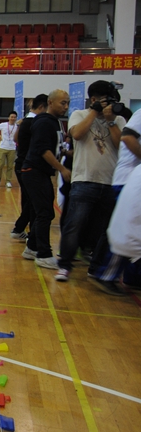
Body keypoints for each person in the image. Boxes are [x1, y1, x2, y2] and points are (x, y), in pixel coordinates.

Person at [55, 80, 126, 282]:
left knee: (106, 229)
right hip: (84, 180)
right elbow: (76, 134)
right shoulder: (80, 114)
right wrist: (94, 112)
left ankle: (95, 267)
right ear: (94, 99)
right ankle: (64, 266)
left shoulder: (118, 120)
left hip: (110, 181)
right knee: (74, 225)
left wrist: (111, 120)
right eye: (104, 100)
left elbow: (121, 144)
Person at [86, 103, 141, 295]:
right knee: (126, 231)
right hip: (128, 181)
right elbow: (127, 137)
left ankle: (132, 276)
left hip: (133, 181)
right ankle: (105, 274)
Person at [21, 90, 70, 270]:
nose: (65, 107)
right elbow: (43, 150)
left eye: (67, 103)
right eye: (62, 103)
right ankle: (43, 254)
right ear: (50, 102)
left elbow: (54, 147)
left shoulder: (54, 122)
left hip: (40, 172)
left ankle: (32, 247)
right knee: (45, 213)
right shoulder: (43, 122)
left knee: (41, 212)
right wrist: (62, 168)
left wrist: (67, 153)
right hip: (34, 171)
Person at [11, 95, 48, 239]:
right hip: (27, 165)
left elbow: (16, 139)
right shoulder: (34, 123)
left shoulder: (25, 122)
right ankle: (23, 230)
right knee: (33, 201)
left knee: (29, 200)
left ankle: (19, 229)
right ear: (41, 107)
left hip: (21, 163)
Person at [0, 112, 18, 188]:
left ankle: (8, 181)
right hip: (3, 147)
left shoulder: (17, 126)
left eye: (14, 117)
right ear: (8, 118)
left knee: (10, 166)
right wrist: (0, 136)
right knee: (0, 164)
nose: (13, 118)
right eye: (11, 117)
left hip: (12, 148)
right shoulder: (3, 124)